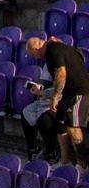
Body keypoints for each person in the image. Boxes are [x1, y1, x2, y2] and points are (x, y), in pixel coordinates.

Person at [27, 33, 87, 166]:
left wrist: (55, 97)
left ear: (37, 49)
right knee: (60, 123)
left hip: (79, 91)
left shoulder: (53, 51)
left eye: (33, 54)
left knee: (72, 126)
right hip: (67, 92)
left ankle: (82, 163)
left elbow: (61, 74)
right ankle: (65, 161)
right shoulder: (55, 47)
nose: (34, 57)